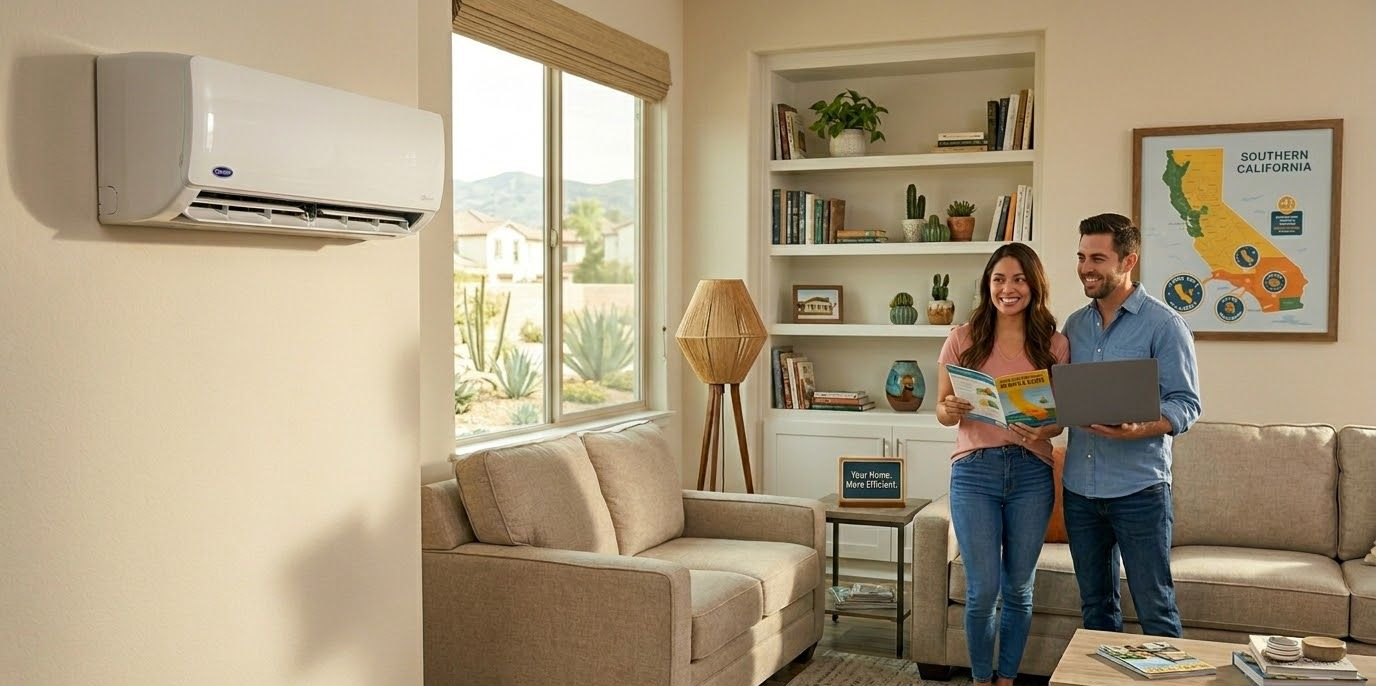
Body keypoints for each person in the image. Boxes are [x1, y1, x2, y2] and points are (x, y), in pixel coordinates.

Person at [1062, 213, 1202, 638]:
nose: (1086, 267)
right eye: (1082, 256)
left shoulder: (1164, 325)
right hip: (1080, 492)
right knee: (1096, 609)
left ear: (1129, 261)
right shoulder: (1073, 326)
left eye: (1098, 258)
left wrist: (1137, 427)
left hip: (1139, 491)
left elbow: (1187, 403)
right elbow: (1063, 396)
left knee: (1155, 607)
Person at [935, 243, 1069, 686]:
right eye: (998, 280)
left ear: (1033, 285)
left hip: (1032, 473)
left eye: (1018, 279)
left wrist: (1043, 429)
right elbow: (941, 410)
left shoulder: (1055, 344)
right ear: (987, 285)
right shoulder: (962, 337)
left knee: (1018, 590)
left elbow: (1060, 420)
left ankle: (1007, 678)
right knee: (982, 591)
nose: (1008, 289)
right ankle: (979, 679)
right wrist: (951, 408)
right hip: (974, 472)